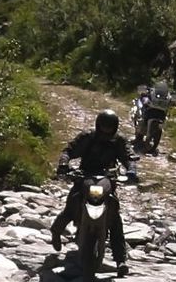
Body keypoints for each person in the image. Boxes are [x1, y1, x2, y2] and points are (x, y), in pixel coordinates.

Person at [52, 108, 136, 270]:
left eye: (109, 127)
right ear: (98, 125)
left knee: (115, 217)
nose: (106, 130)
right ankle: (56, 231)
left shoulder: (119, 141)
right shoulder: (88, 137)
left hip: (107, 179)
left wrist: (132, 170)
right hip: (85, 176)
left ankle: (121, 260)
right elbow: (69, 150)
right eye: (104, 126)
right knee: (72, 204)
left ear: (115, 127)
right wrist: (63, 164)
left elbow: (129, 156)